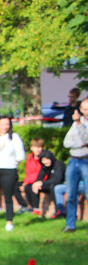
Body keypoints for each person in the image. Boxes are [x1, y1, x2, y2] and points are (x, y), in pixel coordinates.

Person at [62, 98, 88, 233]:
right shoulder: (77, 123)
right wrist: (79, 144)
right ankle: (70, 224)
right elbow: (66, 142)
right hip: (73, 160)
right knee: (70, 194)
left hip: (86, 160)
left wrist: (78, 124)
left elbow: (86, 139)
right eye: (84, 109)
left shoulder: (79, 123)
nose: (86, 112)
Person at [19, 138, 50, 212]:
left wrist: (36, 182)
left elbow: (42, 173)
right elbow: (28, 171)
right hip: (32, 180)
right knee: (23, 187)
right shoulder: (30, 157)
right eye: (36, 147)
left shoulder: (43, 157)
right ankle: (28, 206)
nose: (38, 149)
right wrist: (25, 182)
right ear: (31, 148)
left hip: (42, 181)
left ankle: (36, 208)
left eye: (39, 147)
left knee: (32, 187)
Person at [33, 152, 65, 217]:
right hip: (50, 184)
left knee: (53, 187)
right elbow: (39, 178)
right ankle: (36, 209)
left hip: (61, 183)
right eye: (43, 160)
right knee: (31, 186)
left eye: (47, 159)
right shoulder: (44, 166)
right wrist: (36, 184)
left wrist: (42, 183)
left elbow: (58, 179)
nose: (45, 161)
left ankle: (58, 211)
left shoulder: (58, 164)